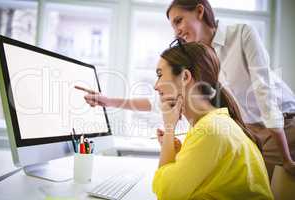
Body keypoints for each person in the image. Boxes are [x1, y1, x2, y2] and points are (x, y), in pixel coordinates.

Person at [76, 0, 295, 177]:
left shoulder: (241, 34)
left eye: (178, 21)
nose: (176, 31)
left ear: (200, 11)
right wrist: (109, 101)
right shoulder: (199, 56)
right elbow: (164, 99)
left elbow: (263, 91)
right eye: (173, 26)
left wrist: (286, 156)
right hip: (249, 129)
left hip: (282, 125)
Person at [152, 41, 273, 199]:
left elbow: (167, 194)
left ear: (185, 77)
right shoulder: (212, 122)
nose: (156, 86)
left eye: (160, 75)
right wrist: (178, 153)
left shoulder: (211, 130)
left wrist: (169, 130)